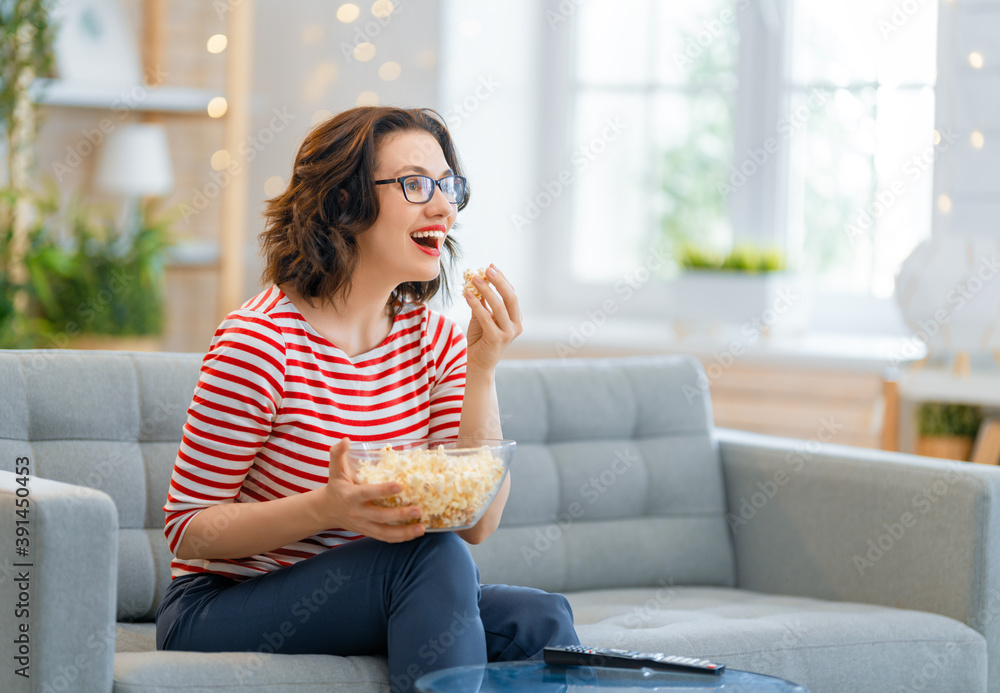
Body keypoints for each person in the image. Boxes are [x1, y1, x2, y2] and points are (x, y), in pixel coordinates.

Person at [154, 106, 580, 692]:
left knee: (542, 618)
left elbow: (475, 524)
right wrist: (325, 509)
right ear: (343, 203)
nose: (443, 207)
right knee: (429, 558)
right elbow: (189, 528)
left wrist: (481, 368)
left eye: (447, 185)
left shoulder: (429, 336)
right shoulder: (260, 343)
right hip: (218, 603)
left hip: (366, 590)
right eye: (414, 184)